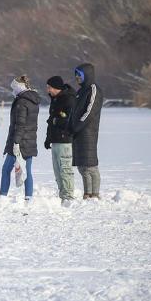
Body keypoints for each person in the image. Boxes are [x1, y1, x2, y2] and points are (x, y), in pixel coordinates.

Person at [0, 75, 40, 203]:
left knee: (6, 169)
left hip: (19, 142)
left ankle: (2, 197)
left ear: (19, 87)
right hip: (30, 141)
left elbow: (20, 125)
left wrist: (16, 142)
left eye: (14, 88)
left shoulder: (21, 102)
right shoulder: (32, 100)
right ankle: (29, 198)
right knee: (27, 170)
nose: (13, 91)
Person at [69, 63, 104, 199]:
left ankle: (94, 194)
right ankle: (87, 193)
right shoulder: (80, 91)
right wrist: (70, 126)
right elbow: (74, 112)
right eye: (76, 74)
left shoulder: (93, 89)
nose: (77, 77)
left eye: (79, 74)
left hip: (88, 132)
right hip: (78, 133)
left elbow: (89, 112)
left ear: (87, 75)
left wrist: (77, 126)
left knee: (90, 166)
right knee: (82, 166)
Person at [44, 76, 76, 205]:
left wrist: (56, 120)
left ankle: (68, 196)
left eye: (49, 87)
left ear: (56, 87)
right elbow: (50, 121)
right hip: (56, 140)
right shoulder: (55, 99)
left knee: (65, 169)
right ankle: (62, 195)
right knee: (57, 170)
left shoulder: (68, 99)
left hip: (65, 140)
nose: (47, 90)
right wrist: (48, 138)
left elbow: (70, 120)